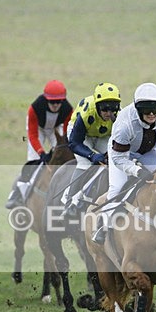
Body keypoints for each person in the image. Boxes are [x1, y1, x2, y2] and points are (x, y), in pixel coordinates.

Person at [91, 82, 156, 244]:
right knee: (116, 187)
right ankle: (103, 226)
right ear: (138, 108)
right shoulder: (124, 125)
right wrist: (137, 171)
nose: (152, 113)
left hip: (150, 151)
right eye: (147, 109)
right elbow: (119, 159)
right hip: (122, 154)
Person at [5, 80, 73, 208]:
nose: (56, 105)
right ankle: (16, 194)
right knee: (34, 162)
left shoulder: (68, 109)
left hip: (55, 129)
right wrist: (41, 153)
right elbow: (32, 135)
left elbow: (65, 134)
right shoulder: (35, 108)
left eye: (59, 101)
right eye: (52, 101)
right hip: (38, 130)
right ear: (46, 99)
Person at [60, 82, 121, 215]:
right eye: (105, 108)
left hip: (103, 135)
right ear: (97, 106)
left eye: (113, 108)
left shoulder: (118, 116)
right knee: (86, 163)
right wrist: (92, 155)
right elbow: (74, 143)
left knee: (114, 160)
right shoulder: (86, 114)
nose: (109, 113)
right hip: (81, 135)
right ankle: (70, 200)